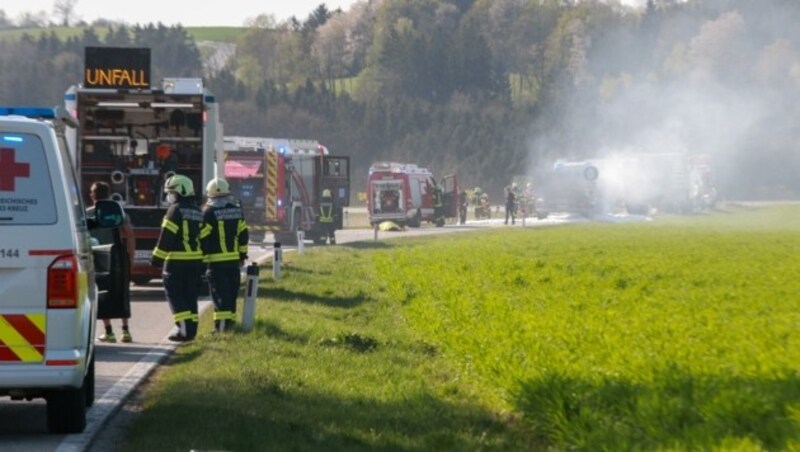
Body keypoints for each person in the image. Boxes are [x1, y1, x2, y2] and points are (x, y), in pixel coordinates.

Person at [151, 174, 204, 342]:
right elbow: (203, 236)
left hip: (176, 262)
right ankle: (191, 331)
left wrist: (156, 259)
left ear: (180, 191)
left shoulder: (175, 210)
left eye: (171, 192)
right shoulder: (197, 211)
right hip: (195, 262)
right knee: (190, 296)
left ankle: (182, 330)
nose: (169, 196)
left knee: (175, 295)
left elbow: (166, 237)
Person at [199, 178, 249, 333]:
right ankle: (230, 325)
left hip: (215, 262)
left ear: (210, 194)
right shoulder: (236, 210)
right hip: (233, 262)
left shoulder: (208, 212)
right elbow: (243, 235)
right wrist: (242, 255)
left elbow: (203, 237)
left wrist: (202, 259)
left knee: (220, 296)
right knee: (231, 294)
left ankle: (220, 329)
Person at [89, 181, 136, 343]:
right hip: (117, 257)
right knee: (122, 291)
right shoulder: (119, 212)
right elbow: (129, 234)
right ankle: (126, 331)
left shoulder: (88, 213)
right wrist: (131, 256)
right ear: (108, 195)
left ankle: (108, 332)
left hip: (98, 258)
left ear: (93, 196)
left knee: (102, 294)